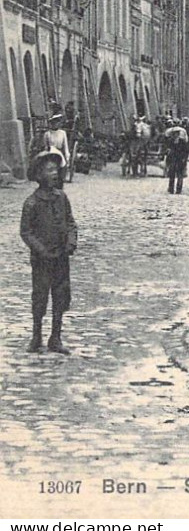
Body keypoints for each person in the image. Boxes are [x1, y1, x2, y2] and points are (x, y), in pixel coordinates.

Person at [20, 152, 77, 354]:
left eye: (56, 170)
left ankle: (56, 337)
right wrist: (41, 250)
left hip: (61, 257)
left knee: (61, 296)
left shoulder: (62, 198)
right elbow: (26, 232)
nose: (54, 174)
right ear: (39, 174)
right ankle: (36, 336)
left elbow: (70, 222)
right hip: (42, 260)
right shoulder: (32, 203)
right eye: (49, 170)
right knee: (40, 296)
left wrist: (71, 242)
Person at [43, 113, 70, 187]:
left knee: (62, 164)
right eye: (54, 122)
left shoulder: (62, 133)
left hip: (59, 152)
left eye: (57, 122)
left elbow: (65, 146)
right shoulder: (47, 134)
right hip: (50, 152)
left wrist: (67, 156)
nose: (56, 124)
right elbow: (45, 147)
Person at [164, 118, 189, 195]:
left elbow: (186, 151)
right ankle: (171, 188)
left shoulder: (182, 142)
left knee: (180, 175)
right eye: (174, 134)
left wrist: (184, 159)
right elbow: (167, 148)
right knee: (171, 174)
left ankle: (179, 189)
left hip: (180, 160)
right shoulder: (170, 141)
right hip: (172, 159)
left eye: (177, 133)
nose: (176, 135)